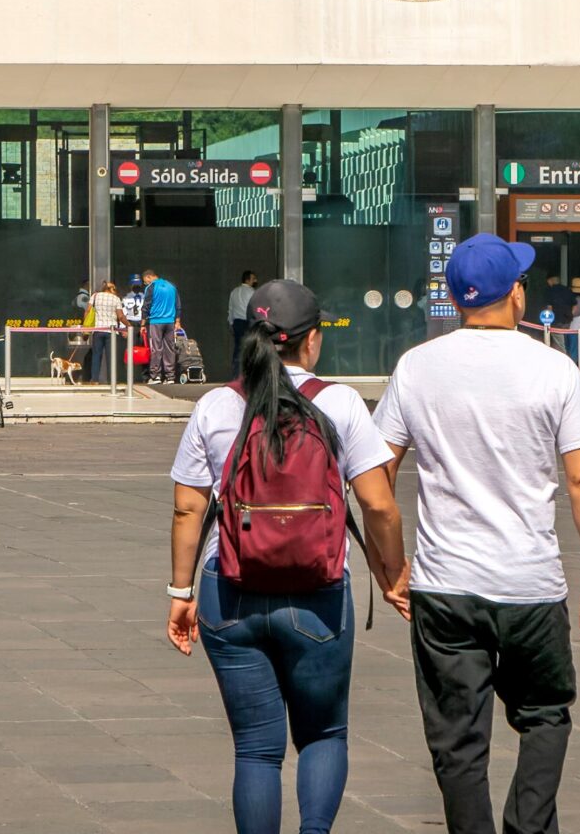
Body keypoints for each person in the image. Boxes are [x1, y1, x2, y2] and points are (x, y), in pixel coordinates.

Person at [375, 234, 580, 834]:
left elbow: (378, 475)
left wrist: (391, 567)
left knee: (456, 739)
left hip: (445, 583)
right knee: (545, 715)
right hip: (530, 583)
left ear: (457, 299)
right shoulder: (554, 367)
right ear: (515, 293)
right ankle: (528, 826)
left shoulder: (417, 366)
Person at [166, 280, 408, 834]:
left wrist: (181, 594)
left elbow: (187, 510)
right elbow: (379, 506)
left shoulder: (216, 405)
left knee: (255, 749)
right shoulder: (340, 402)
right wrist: (392, 575)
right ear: (312, 340)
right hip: (317, 591)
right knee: (323, 733)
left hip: (226, 587)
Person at [144, 266, 183, 384]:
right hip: (170, 321)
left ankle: (155, 376)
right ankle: (170, 376)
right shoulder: (172, 286)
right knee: (170, 349)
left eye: (145, 281)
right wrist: (177, 321)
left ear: (149, 277)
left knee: (156, 348)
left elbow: (146, 306)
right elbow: (178, 305)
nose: (145, 284)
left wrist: (142, 324)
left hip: (156, 321)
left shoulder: (151, 287)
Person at [87, 279, 126, 383]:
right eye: (114, 288)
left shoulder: (95, 296)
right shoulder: (116, 299)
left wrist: (86, 328)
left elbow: (87, 311)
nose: (115, 290)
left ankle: (94, 379)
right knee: (111, 357)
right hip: (111, 331)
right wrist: (128, 325)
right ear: (110, 289)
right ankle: (112, 380)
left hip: (98, 329)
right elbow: (121, 316)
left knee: (96, 355)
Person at [227, 270, 260, 353]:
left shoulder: (234, 292)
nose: (255, 281)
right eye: (253, 278)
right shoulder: (252, 292)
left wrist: (231, 323)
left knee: (238, 348)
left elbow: (231, 309)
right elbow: (255, 308)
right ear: (247, 280)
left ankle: (236, 365)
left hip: (237, 323)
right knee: (250, 348)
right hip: (248, 323)